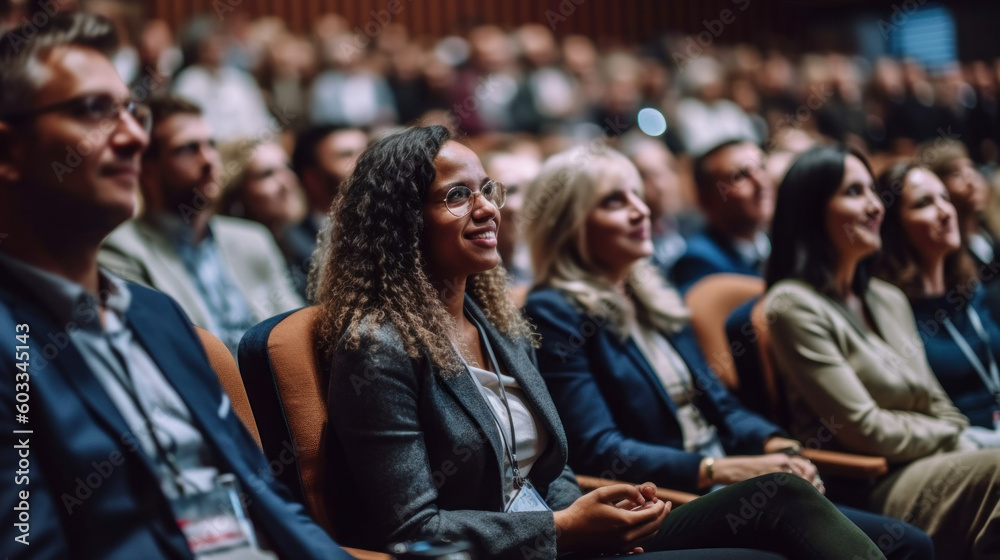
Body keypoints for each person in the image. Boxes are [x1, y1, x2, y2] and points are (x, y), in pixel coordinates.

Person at [314, 125, 887, 560]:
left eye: (487, 190)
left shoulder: (497, 324)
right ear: (402, 222)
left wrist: (599, 514)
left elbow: (552, 469)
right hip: (523, 551)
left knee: (781, 495)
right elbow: (410, 532)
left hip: (570, 540)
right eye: (457, 195)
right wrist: (562, 528)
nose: (488, 207)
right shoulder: (378, 347)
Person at [0, 13, 354, 559]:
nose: (133, 137)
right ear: (8, 153)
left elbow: (269, 500)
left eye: (131, 111)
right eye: (94, 110)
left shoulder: (156, 315)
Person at [522, 146, 933, 560]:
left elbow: (721, 405)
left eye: (637, 194)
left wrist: (773, 443)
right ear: (568, 224)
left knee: (911, 545)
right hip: (661, 503)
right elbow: (600, 448)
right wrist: (715, 469)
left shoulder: (655, 296)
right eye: (614, 201)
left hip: (727, 485)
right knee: (784, 497)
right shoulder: (553, 311)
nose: (640, 210)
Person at [763, 145, 1000, 558]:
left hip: (934, 460)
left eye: (873, 191)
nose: (875, 206)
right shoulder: (793, 304)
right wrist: (951, 435)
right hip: (872, 481)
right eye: (855, 192)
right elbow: (863, 428)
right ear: (813, 210)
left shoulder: (888, 298)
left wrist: (949, 430)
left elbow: (943, 408)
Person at [98, 96, 303, 355]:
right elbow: (167, 352)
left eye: (211, 144)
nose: (209, 160)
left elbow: (297, 330)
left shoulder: (252, 238)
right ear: (146, 169)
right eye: (187, 149)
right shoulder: (122, 251)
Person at [874, 162, 1000, 437]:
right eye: (923, 203)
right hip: (955, 443)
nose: (945, 211)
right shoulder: (890, 309)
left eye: (944, 197)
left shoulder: (970, 290)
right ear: (895, 226)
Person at [670, 139, 773, 294]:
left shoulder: (783, 241)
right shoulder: (699, 262)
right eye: (739, 176)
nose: (761, 182)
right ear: (706, 199)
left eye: (762, 168)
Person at [915, 139, 1000, 324]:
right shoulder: (947, 251)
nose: (971, 179)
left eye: (971, 168)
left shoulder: (990, 236)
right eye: (956, 173)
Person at [217, 139, 311, 298]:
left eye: (287, 167)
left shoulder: (298, 237)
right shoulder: (227, 256)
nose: (287, 181)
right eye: (267, 174)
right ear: (237, 193)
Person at [288, 124, 368, 299]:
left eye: (368, 150)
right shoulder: (292, 245)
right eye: (346, 155)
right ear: (312, 179)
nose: (366, 161)